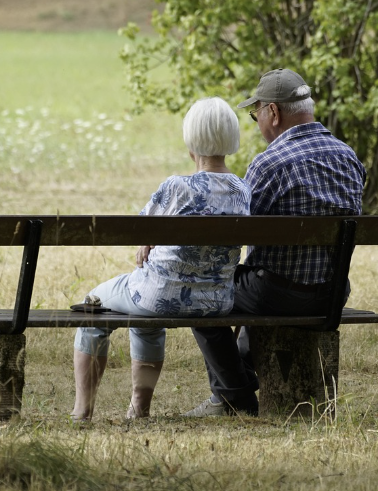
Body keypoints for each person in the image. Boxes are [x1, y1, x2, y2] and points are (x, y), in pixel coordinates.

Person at [184, 68, 366, 417]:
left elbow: (237, 234)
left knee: (201, 289)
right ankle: (239, 382)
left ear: (273, 113)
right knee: (258, 280)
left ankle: (234, 397)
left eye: (256, 116)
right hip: (332, 294)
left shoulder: (269, 164)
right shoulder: (349, 157)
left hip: (278, 295)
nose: (257, 124)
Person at [71, 97, 251, 421]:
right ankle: (138, 409)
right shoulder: (242, 190)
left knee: (93, 304)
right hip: (216, 301)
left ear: (191, 140)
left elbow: (138, 229)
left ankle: (82, 411)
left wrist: (147, 241)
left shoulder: (177, 187)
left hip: (159, 296)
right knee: (144, 312)